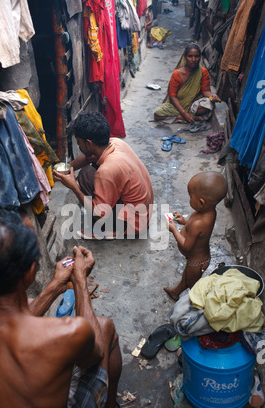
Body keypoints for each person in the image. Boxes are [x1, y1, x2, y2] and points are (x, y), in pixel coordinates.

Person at [0, 207, 122, 408]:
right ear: (30, 273)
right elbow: (95, 352)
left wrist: (55, 285)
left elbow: (9, 325)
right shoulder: (66, 334)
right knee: (105, 327)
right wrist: (79, 279)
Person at [53, 111, 154, 239]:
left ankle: (110, 230)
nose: (79, 146)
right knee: (88, 171)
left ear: (88, 143)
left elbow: (98, 214)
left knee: (85, 176)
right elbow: (89, 157)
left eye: (79, 143)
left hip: (135, 225)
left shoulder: (107, 170)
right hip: (145, 214)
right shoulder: (115, 143)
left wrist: (74, 187)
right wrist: (68, 168)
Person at [164, 171, 227, 301]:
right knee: (186, 277)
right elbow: (198, 232)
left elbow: (187, 246)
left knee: (194, 287)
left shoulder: (199, 222)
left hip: (196, 263)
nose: (189, 199)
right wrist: (184, 222)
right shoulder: (208, 212)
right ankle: (176, 292)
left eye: (190, 196)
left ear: (201, 202)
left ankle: (200, 304)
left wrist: (174, 230)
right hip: (198, 259)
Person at [154, 43, 221, 123]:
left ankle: (183, 116)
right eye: (190, 56)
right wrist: (184, 114)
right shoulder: (177, 74)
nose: (193, 59)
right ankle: (183, 117)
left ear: (200, 57)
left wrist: (212, 97)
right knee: (158, 113)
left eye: (197, 56)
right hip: (176, 105)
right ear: (185, 57)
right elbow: (172, 96)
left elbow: (205, 91)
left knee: (207, 105)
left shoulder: (203, 72)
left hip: (193, 104)